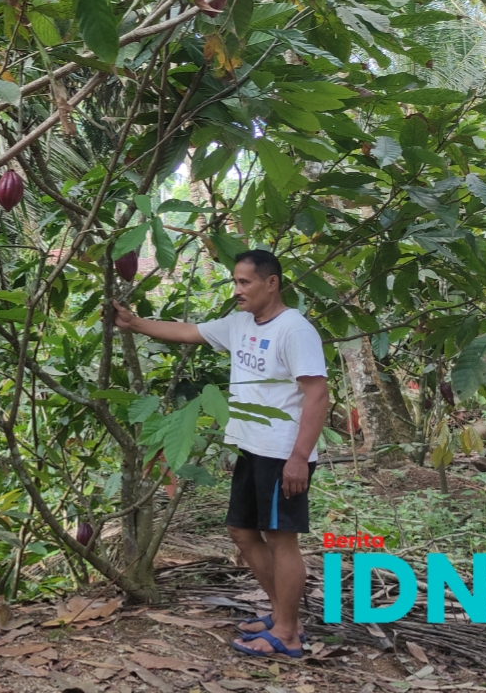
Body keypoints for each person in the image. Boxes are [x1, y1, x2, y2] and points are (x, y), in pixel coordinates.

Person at [111, 249, 330, 659]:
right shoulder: (239, 324)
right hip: (249, 448)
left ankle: (287, 633)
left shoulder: (294, 329)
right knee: (243, 533)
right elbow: (188, 331)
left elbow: (317, 394)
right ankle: (286, 617)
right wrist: (135, 323)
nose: (237, 290)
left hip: (282, 452)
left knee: (282, 541)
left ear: (272, 283)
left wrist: (299, 457)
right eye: (234, 281)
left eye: (245, 282)